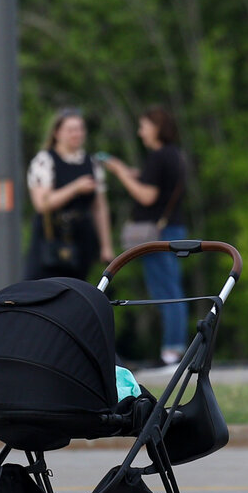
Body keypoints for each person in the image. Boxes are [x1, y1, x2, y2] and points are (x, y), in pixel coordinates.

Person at [102, 107, 188, 367]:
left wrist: (119, 175)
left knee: (166, 290)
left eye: (143, 126)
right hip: (171, 229)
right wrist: (128, 172)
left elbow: (147, 196)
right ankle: (173, 348)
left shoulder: (160, 156)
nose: (140, 132)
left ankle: (172, 351)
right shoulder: (172, 155)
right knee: (169, 287)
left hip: (160, 232)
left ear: (155, 127)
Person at [24, 107, 115, 281]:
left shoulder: (92, 163)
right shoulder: (45, 160)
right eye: (71, 130)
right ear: (57, 133)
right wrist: (75, 188)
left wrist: (106, 245)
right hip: (51, 238)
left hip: (81, 238)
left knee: (78, 288)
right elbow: (42, 204)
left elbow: (100, 208)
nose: (77, 134)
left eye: (80, 129)